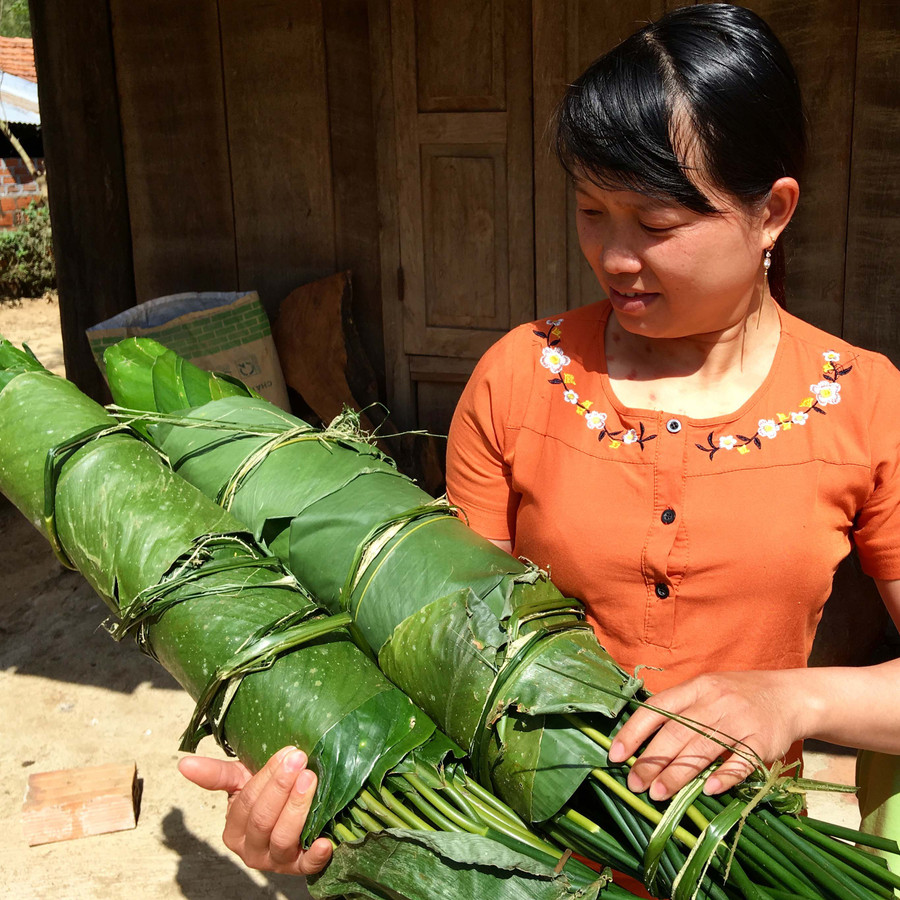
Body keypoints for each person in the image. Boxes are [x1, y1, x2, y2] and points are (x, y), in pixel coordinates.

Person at [178, 2, 900, 879]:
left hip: (740, 863)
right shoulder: (520, 376)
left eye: (657, 225)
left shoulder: (865, 402)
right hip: (512, 863)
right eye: (593, 212)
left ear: (773, 211)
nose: (615, 256)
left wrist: (794, 700)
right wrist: (317, 778)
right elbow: (438, 649)